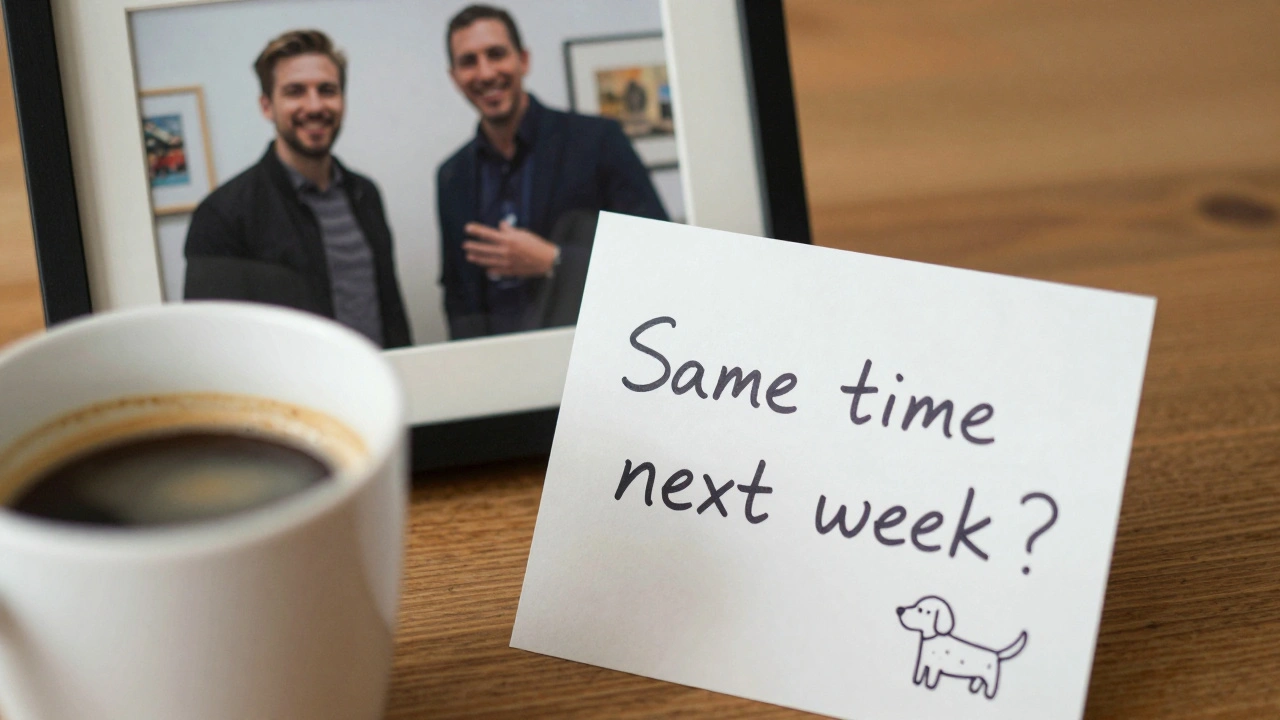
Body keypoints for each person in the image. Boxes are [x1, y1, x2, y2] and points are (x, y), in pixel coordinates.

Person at [437, 4, 668, 340]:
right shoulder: (451, 176)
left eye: (496, 54)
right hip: (502, 373)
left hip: (594, 358)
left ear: (524, 60)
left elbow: (660, 255)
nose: (485, 73)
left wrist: (554, 261)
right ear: (455, 77)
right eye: (468, 61)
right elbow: (458, 297)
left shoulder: (597, 141)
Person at [183, 29, 411, 349]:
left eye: (327, 90)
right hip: (295, 397)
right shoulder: (223, 215)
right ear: (267, 106)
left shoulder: (366, 195)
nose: (315, 105)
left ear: (342, 101)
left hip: (376, 387)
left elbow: (391, 309)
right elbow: (212, 346)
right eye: (295, 92)